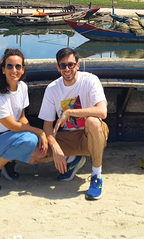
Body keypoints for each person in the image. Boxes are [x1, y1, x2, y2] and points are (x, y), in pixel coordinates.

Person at [39, 47, 109, 201]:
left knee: (93, 121)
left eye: (71, 64)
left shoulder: (90, 80)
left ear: (78, 65)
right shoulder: (52, 89)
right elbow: (47, 126)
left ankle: (96, 176)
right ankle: (72, 160)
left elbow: (102, 112)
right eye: (63, 65)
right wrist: (56, 149)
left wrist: (70, 112)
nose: (67, 69)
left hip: (90, 136)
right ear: (58, 67)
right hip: (68, 137)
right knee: (35, 155)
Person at [0, 48, 48, 191]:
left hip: (9, 137)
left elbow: (21, 118)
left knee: (34, 147)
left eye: (18, 66)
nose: (14, 70)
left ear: (23, 70)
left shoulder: (22, 87)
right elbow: (14, 127)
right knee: (29, 140)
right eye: (9, 66)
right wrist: (39, 132)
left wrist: (36, 141)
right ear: (3, 69)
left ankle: (7, 162)